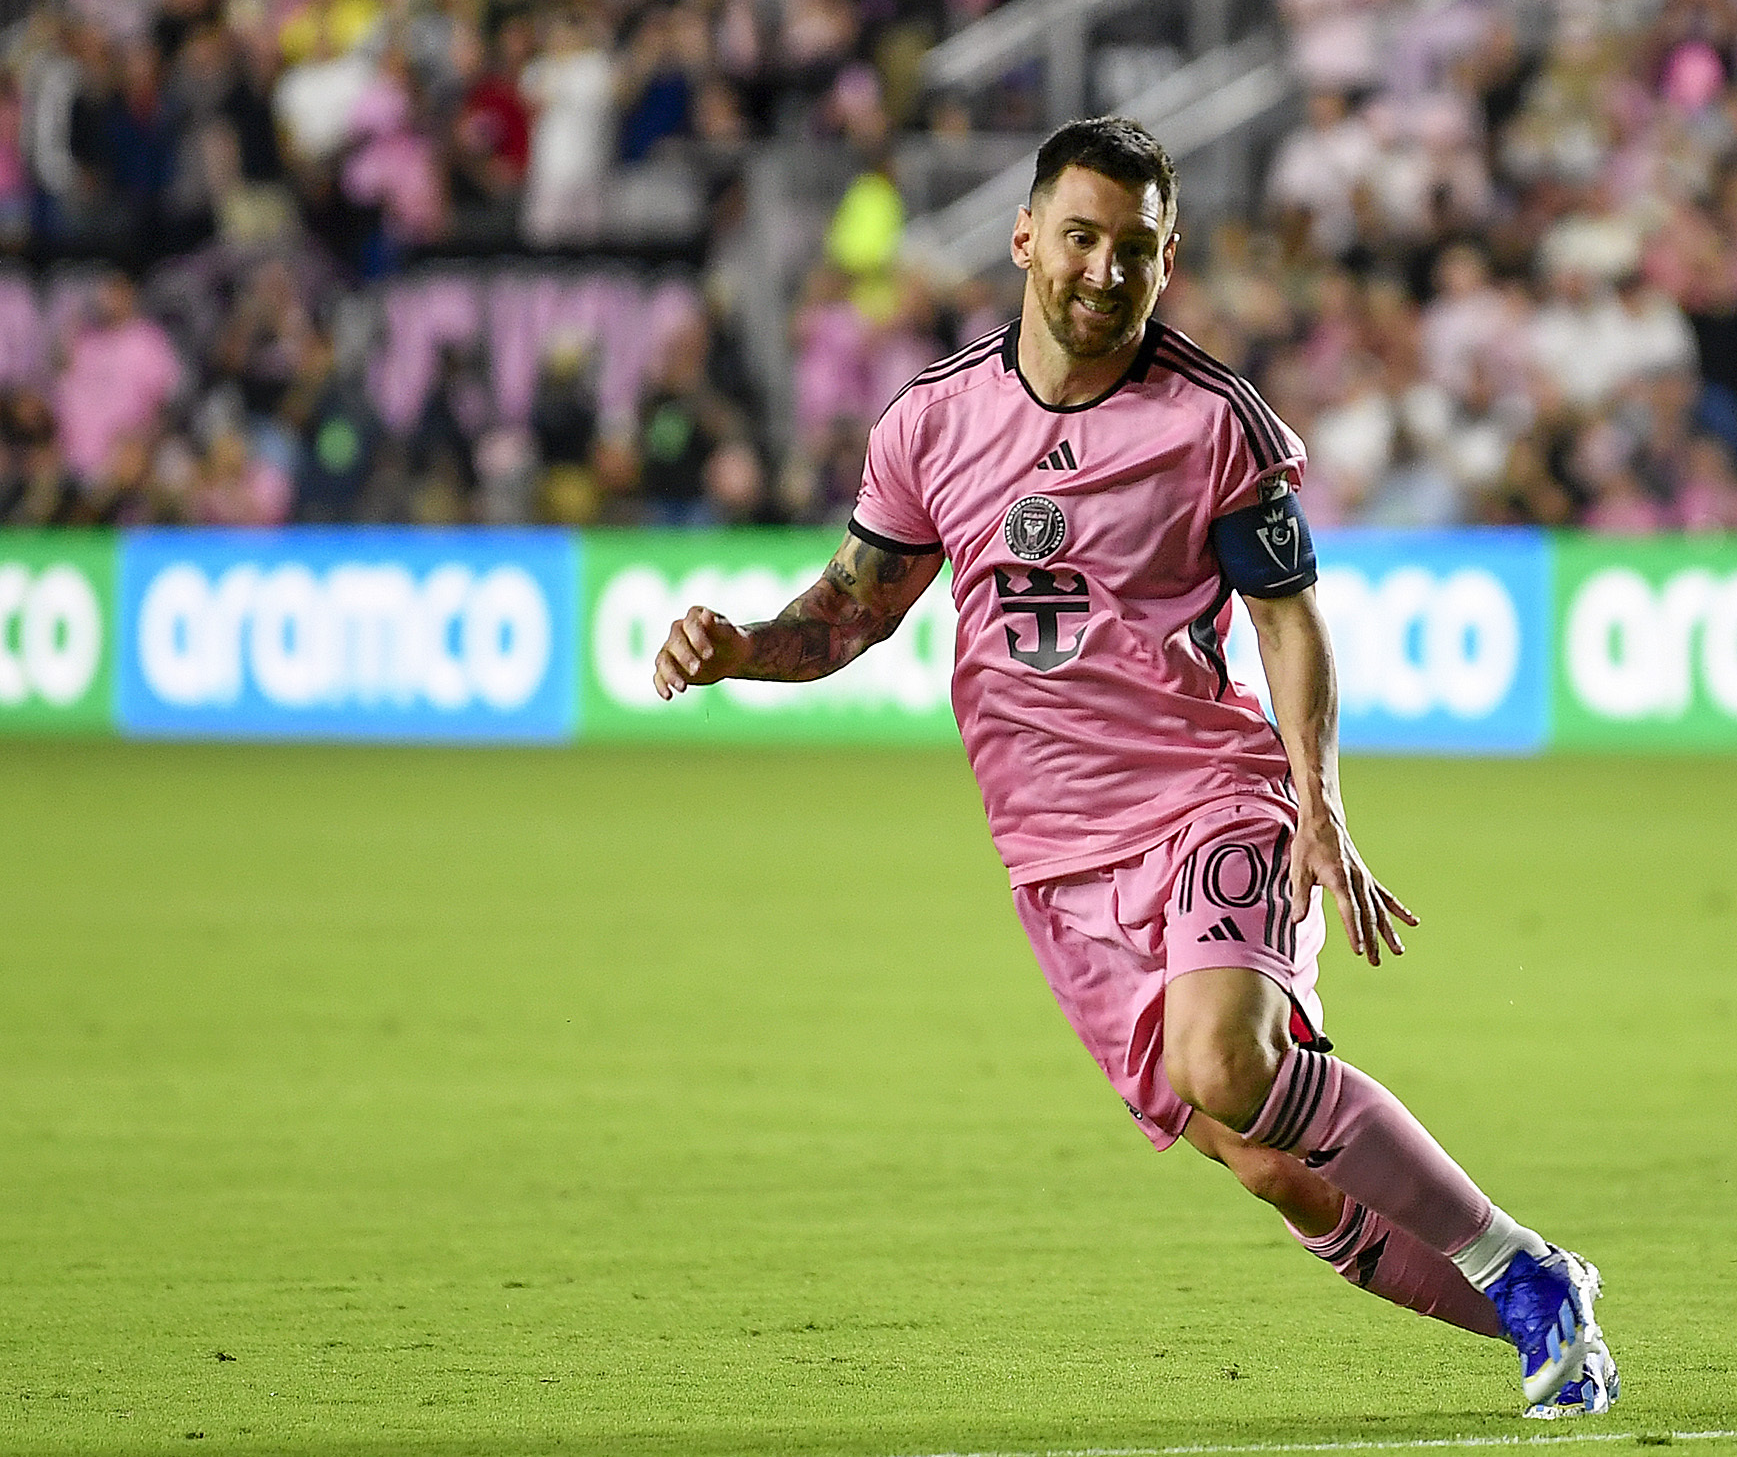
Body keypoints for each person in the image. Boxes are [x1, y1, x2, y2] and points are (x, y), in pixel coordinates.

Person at [650, 116, 1615, 1417]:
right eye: (1084, 238)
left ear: (1170, 263)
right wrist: (739, 647)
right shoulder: (931, 424)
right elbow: (853, 609)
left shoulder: (1217, 423)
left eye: (1139, 250)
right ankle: (1542, 1307)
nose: (1106, 271)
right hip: (1054, 858)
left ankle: (1515, 1262)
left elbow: (1285, 613)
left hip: (1210, 792)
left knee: (1232, 1065)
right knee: (1270, 1163)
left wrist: (1318, 802)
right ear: (1024, 238)